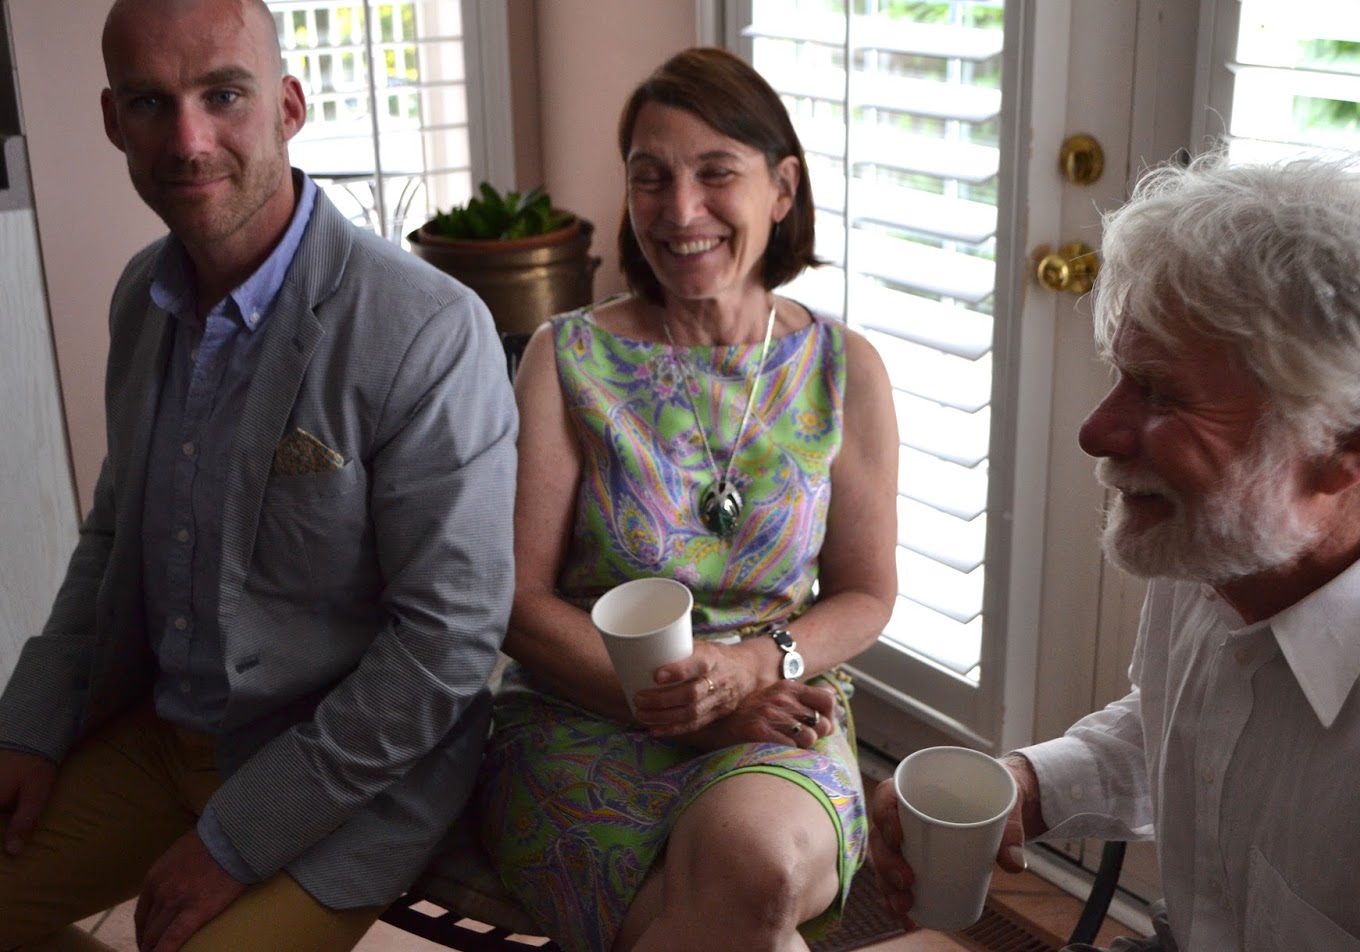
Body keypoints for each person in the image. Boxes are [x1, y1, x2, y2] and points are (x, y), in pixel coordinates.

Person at [868, 154, 1360, 950]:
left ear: (1353, 438)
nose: (1096, 431)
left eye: (1162, 393)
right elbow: (1204, 730)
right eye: (1122, 376)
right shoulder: (1230, 535)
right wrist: (1033, 787)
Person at [0, 0, 517, 949]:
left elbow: (445, 647)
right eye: (150, 103)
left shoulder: (428, 329)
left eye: (224, 96)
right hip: (164, 737)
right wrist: (28, 725)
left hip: (350, 780)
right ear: (113, 121)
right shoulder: (140, 297)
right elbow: (111, 540)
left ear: (287, 106)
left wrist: (235, 839)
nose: (188, 141)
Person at [477, 47, 899, 952]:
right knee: (744, 919)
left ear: (782, 188)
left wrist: (753, 668)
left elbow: (867, 594)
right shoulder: (566, 358)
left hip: (777, 702)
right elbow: (517, 601)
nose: (680, 210)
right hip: (584, 713)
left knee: (760, 866)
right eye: (650, 177)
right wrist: (689, 707)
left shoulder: (843, 369)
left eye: (716, 173)